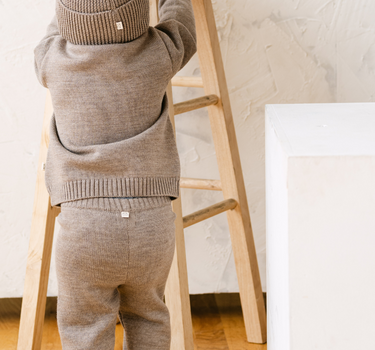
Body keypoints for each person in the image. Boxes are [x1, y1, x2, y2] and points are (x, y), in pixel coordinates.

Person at [33, 0, 197, 348]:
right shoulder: (158, 53)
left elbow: (53, 32)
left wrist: (74, 14)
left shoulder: (53, 61)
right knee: (150, 318)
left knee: (85, 328)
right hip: (152, 228)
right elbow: (182, 26)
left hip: (84, 229)